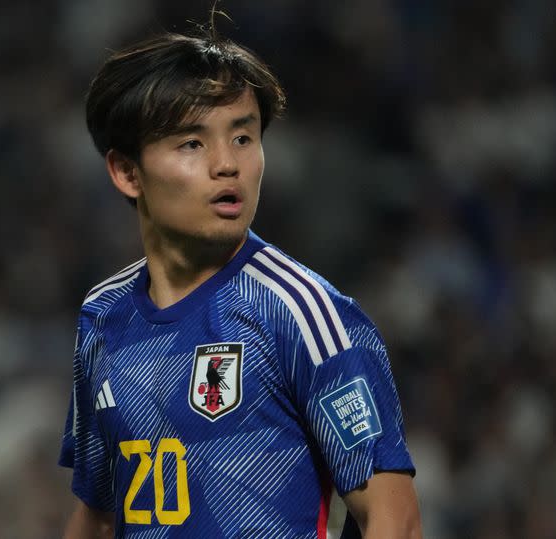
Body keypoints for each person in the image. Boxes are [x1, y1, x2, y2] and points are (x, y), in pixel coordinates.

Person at [59, 21, 422, 539]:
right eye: (191, 143)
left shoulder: (303, 314)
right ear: (127, 172)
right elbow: (98, 514)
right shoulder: (103, 316)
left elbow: (396, 519)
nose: (228, 164)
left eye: (244, 136)